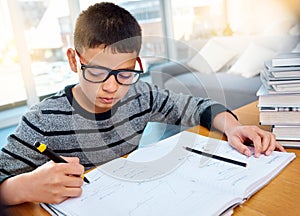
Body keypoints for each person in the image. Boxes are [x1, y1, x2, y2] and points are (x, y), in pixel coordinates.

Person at [0, 2, 284, 205]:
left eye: (124, 73)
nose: (111, 87)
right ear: (75, 60)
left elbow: (199, 106)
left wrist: (232, 128)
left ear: (137, 63)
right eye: (97, 72)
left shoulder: (140, 97)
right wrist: (21, 187)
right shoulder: (42, 121)